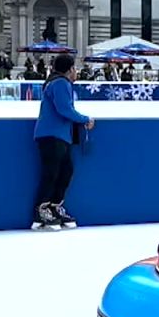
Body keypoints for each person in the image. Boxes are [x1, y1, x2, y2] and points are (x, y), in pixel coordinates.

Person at [31, 54, 94, 231]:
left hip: (60, 136)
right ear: (70, 69)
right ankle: (41, 210)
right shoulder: (60, 83)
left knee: (65, 171)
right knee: (51, 173)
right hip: (52, 136)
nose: (77, 72)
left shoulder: (58, 83)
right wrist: (84, 119)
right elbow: (64, 109)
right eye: (75, 68)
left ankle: (54, 206)